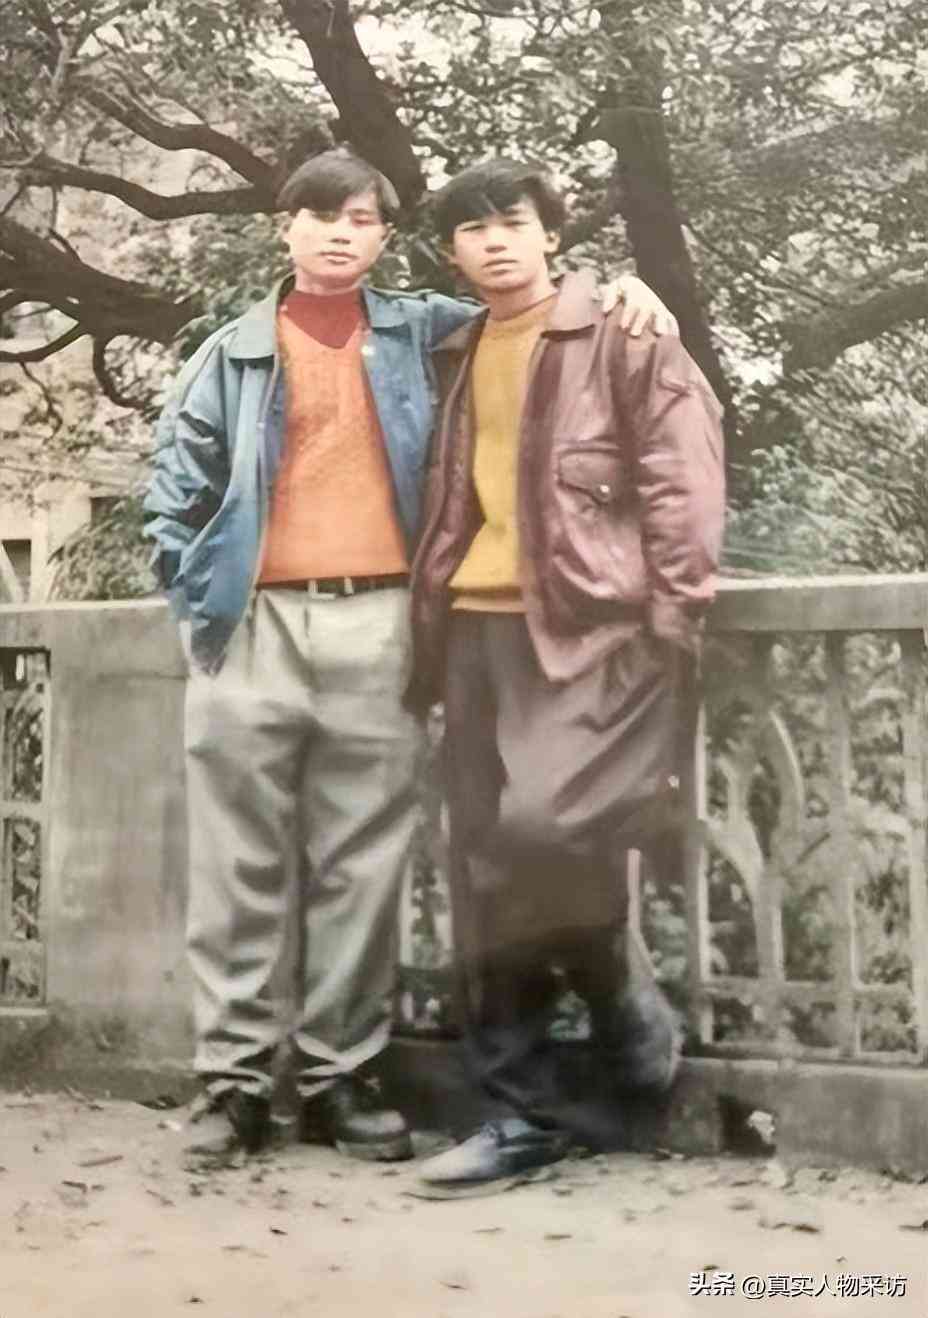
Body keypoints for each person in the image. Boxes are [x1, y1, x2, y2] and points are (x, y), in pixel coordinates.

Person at [144, 146, 678, 1166]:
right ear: (285, 228)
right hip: (251, 625)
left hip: (383, 620)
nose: (339, 234)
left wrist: (625, 291)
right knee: (236, 865)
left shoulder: (427, 332)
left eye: (361, 219)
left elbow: (535, 317)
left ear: (386, 239)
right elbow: (174, 486)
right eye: (319, 215)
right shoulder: (229, 353)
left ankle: (340, 1074)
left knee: (364, 866)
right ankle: (234, 1081)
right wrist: (196, 593)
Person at [409, 158, 725, 1189]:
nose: (495, 242)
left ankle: (621, 1000)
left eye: (513, 222)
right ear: (451, 251)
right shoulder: (454, 346)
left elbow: (682, 476)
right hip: (473, 629)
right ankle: (521, 1111)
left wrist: (673, 620)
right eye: (473, 230)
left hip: (592, 630)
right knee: (481, 865)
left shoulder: (624, 332)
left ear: (551, 233)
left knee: (540, 828)